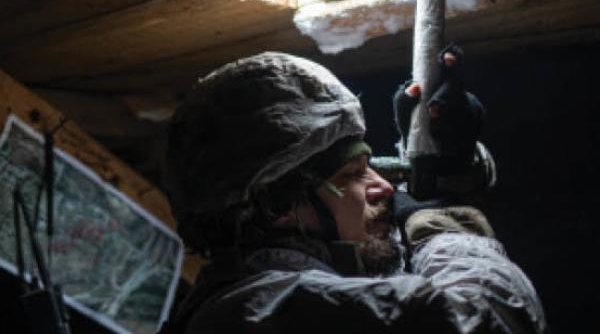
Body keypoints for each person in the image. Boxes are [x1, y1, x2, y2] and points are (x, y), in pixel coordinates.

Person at [160, 52, 547, 333]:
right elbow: (493, 322)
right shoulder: (267, 312)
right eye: (351, 175)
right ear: (280, 205)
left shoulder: (259, 287)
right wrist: (447, 231)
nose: (382, 186)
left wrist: (447, 166)